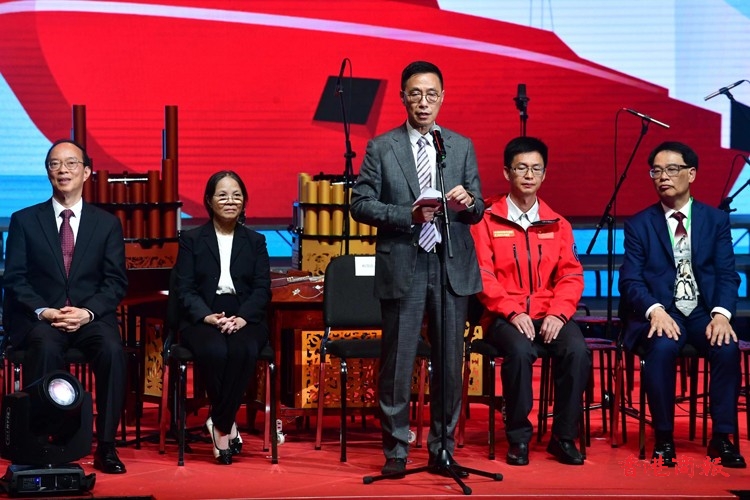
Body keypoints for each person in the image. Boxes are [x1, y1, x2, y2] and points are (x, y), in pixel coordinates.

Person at [351, 60, 484, 478]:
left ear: (442, 98)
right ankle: (396, 447)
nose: (423, 103)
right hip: (404, 260)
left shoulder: (459, 146)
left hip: (449, 263)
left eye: (431, 95)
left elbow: (479, 207)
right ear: (403, 98)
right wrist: (405, 215)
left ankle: (443, 448)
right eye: (415, 94)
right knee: (398, 361)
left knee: (449, 363)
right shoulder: (381, 147)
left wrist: (468, 202)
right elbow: (360, 204)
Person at [3, 139, 129, 474]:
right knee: (44, 345)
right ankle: (47, 439)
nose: (63, 170)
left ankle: (106, 445)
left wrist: (86, 313)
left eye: (71, 163)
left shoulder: (107, 224)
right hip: (44, 318)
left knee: (112, 350)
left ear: (86, 172)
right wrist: (44, 311)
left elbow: (115, 282)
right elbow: (15, 278)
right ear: (48, 172)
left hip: (90, 318)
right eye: (55, 164)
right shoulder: (25, 220)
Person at [619, 141, 745, 468]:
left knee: (727, 347)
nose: (663, 177)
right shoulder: (639, 224)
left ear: (691, 174)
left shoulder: (715, 220)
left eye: (672, 169)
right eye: (656, 171)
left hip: (703, 311)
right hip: (663, 311)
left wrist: (722, 314)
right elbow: (630, 280)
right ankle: (664, 436)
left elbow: (727, 274)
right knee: (661, 347)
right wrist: (655, 310)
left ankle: (723, 437)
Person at [470, 136, 590, 466]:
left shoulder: (558, 223)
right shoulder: (486, 219)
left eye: (536, 169)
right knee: (520, 351)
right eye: (521, 168)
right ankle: (519, 437)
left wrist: (559, 314)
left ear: (544, 174)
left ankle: (563, 437)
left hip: (549, 313)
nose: (529, 175)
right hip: (502, 315)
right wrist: (511, 312)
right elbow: (482, 274)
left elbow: (571, 275)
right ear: (506, 172)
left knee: (577, 351)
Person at [174, 170, 271, 466]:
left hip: (244, 313)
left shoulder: (256, 241)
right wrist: (207, 317)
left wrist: (242, 318)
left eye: (237, 195)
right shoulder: (191, 239)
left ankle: (219, 422)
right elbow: (184, 288)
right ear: (209, 200)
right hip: (204, 312)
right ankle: (226, 424)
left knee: (244, 349)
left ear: (244, 201)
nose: (231, 201)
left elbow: (262, 288)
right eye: (223, 195)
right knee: (215, 350)